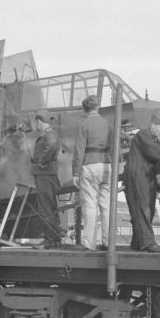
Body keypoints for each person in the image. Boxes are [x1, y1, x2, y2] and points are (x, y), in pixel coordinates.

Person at [123, 112, 160, 252]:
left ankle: (137, 243)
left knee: (147, 209)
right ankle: (148, 243)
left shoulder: (156, 142)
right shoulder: (143, 135)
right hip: (136, 176)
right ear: (153, 125)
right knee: (143, 208)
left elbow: (156, 165)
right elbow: (153, 152)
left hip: (147, 177)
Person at [72, 94, 112, 251]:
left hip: (90, 164)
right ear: (98, 107)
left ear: (84, 109)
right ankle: (108, 243)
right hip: (107, 165)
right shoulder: (108, 124)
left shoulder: (84, 124)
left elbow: (79, 150)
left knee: (90, 204)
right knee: (107, 206)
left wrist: (75, 173)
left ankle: (89, 243)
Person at [31, 109, 62, 249]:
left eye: (36, 122)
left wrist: (41, 162)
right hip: (48, 175)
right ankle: (55, 239)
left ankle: (49, 240)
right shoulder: (49, 135)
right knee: (51, 206)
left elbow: (52, 147)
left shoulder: (49, 135)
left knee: (45, 207)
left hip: (44, 175)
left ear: (39, 121)